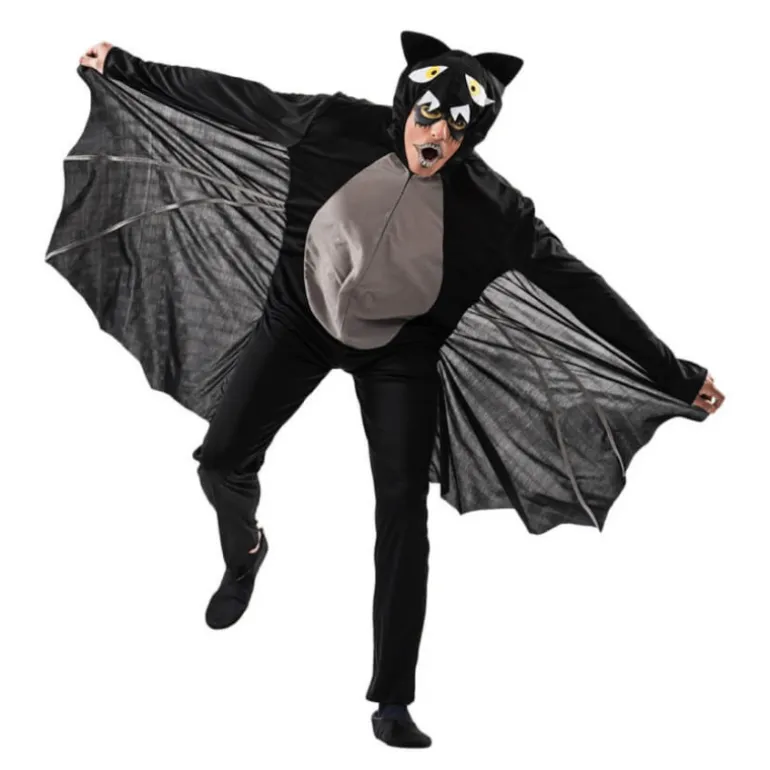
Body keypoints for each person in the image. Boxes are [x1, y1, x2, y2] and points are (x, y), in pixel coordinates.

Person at [69, 32, 724, 749]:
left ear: (472, 136)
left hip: (400, 354)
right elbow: (237, 100)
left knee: (403, 519)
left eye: (457, 128)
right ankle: (245, 551)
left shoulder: (496, 212)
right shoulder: (336, 126)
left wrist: (674, 374)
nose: (437, 135)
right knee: (221, 461)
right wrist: (127, 67)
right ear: (408, 103)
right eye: (429, 115)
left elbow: (583, 290)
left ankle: (392, 700)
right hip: (300, 317)